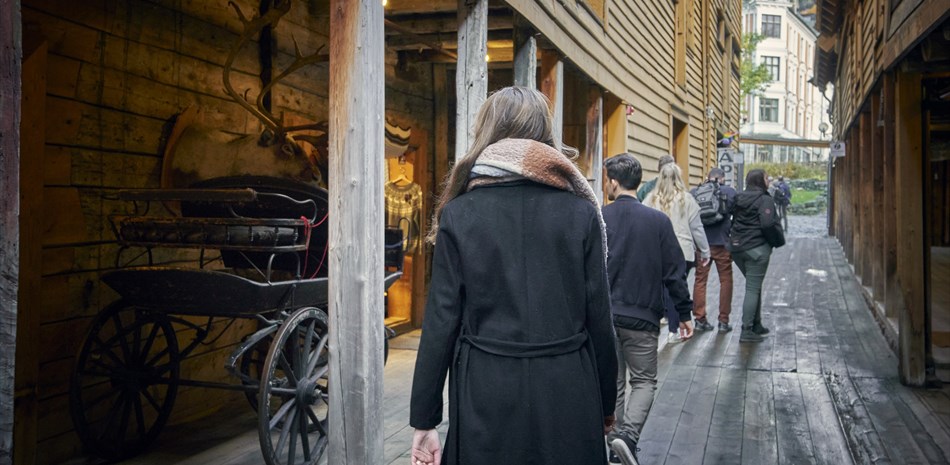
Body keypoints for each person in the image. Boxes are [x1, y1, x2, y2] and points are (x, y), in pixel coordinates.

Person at [409, 87, 618, 465]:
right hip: (567, 387)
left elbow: (441, 320)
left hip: (486, 390)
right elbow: (599, 319)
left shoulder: (459, 213)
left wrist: (425, 420)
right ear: (544, 133)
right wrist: (605, 404)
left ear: (488, 132)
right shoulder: (581, 213)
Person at [602, 154, 694, 465]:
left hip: (605, 316)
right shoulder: (658, 221)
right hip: (643, 316)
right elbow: (674, 272)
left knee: (613, 382)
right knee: (643, 381)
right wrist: (684, 313)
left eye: (607, 180)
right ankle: (628, 438)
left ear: (614, 182)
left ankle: (615, 446)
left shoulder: (600, 217)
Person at [644, 164, 710, 343]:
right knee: (676, 288)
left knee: (660, 289)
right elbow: (697, 228)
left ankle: (658, 324)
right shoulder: (687, 199)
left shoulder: (651, 199)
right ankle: (673, 330)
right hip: (683, 250)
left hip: (657, 250)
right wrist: (705, 251)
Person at [729, 169, 786, 343]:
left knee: (754, 285)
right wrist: (774, 242)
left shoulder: (738, 197)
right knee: (753, 288)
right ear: (760, 181)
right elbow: (767, 224)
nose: (769, 181)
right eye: (766, 178)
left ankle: (756, 324)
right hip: (756, 249)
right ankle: (746, 330)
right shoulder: (765, 199)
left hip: (737, 248)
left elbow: (732, 219)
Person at [691, 168, 738, 332]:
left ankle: (699, 319)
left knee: (700, 280)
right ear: (722, 178)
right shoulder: (730, 192)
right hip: (722, 243)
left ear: (707, 177)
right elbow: (736, 216)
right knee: (726, 280)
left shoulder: (695, 192)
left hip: (702, 244)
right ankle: (723, 321)